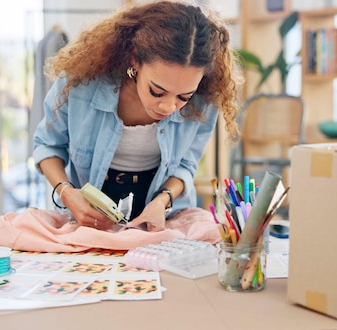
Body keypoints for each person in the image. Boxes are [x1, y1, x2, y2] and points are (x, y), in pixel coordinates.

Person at [32, 0, 241, 232]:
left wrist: (162, 203)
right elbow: (47, 145)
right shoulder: (81, 83)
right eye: (157, 91)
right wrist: (67, 193)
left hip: (163, 215)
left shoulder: (204, 99)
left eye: (184, 96)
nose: (169, 106)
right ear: (135, 60)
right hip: (88, 217)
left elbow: (185, 165)